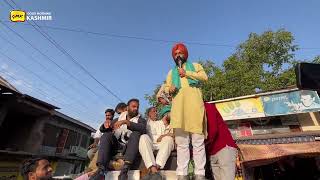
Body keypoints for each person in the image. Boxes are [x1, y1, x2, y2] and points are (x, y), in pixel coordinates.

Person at [164, 43, 208, 180]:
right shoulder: (171, 72)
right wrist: (169, 89)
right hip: (179, 110)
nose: (178, 55)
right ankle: (181, 174)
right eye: (175, 54)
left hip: (195, 107)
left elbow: (204, 77)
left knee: (198, 142)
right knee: (182, 144)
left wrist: (186, 73)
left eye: (180, 53)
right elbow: (166, 87)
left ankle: (200, 173)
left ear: (186, 54)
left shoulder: (195, 66)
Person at [90, 99, 146, 180]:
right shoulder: (119, 118)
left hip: (130, 147)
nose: (136, 109)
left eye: (137, 107)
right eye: (133, 106)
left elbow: (143, 128)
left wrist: (126, 122)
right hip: (118, 146)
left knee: (136, 134)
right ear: (127, 107)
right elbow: (104, 129)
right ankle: (101, 170)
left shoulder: (141, 120)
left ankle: (124, 171)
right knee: (106, 135)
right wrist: (105, 125)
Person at [204, 103, 238, 180]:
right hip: (213, 151)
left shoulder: (208, 107)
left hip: (224, 148)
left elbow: (213, 130)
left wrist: (202, 144)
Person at [139, 107, 174, 180]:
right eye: (153, 111)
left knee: (169, 139)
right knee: (143, 137)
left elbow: (171, 132)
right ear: (149, 114)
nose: (156, 113)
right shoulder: (144, 123)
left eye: (156, 111)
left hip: (162, 144)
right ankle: (153, 168)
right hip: (150, 144)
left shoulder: (161, 122)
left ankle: (156, 168)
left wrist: (163, 136)